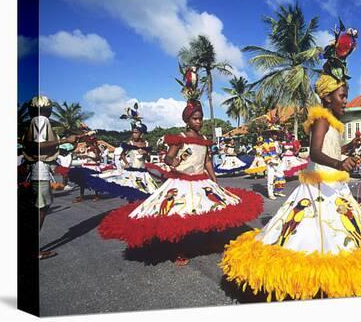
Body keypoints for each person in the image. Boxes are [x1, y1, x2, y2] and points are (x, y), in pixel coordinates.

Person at [221, 23, 361, 300]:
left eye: (346, 96)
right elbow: (315, 153)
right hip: (317, 186)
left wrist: (350, 147)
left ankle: (336, 279)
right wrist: (340, 164)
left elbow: (332, 150)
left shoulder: (334, 123)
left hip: (335, 186)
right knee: (311, 235)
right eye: (342, 96)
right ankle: (316, 280)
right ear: (327, 97)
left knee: (345, 234)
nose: (345, 101)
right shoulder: (320, 119)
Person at [98, 67, 263, 266]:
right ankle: (179, 250)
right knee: (179, 216)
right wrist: (172, 162)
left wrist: (214, 180)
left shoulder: (204, 139)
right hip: (181, 182)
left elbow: (208, 160)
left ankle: (210, 241)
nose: (199, 121)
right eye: (195, 118)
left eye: (201, 118)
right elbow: (168, 158)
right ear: (187, 120)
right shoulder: (180, 138)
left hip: (201, 181)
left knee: (210, 210)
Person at [21, 95, 77, 260]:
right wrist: (65, 140)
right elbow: (38, 146)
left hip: (36, 169)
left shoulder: (34, 121)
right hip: (40, 171)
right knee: (41, 209)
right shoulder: (42, 120)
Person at [262, 130, 286, 200]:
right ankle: (270, 194)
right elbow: (264, 153)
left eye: (276, 134)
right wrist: (269, 161)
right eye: (274, 134)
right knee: (271, 178)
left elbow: (279, 152)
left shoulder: (277, 142)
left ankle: (278, 191)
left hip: (277, 161)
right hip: (271, 162)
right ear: (271, 135)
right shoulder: (266, 143)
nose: (275, 136)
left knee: (280, 176)